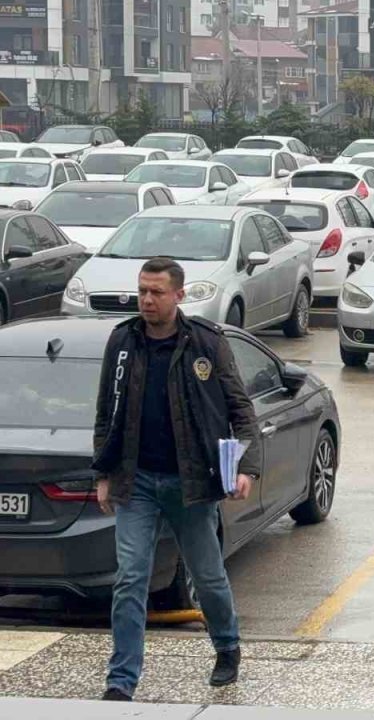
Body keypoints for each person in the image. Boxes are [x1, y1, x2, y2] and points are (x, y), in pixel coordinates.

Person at [92, 257, 261, 702]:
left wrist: (247, 467)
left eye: (157, 292)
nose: (147, 299)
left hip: (191, 483)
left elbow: (241, 410)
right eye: (142, 291)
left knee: (207, 576)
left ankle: (227, 646)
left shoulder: (206, 343)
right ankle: (121, 680)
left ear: (179, 295)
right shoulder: (123, 341)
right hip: (136, 481)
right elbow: (105, 413)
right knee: (130, 578)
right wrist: (104, 473)